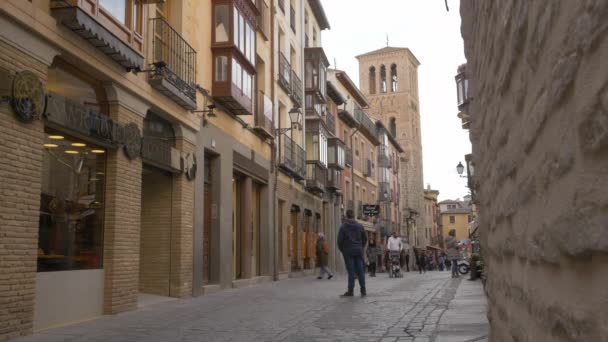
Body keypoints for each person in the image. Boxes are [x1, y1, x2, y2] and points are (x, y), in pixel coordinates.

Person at [337, 209, 367, 297]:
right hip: (358, 250)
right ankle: (363, 290)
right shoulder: (360, 226)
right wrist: (361, 247)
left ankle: (351, 291)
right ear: (354, 216)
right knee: (360, 271)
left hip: (348, 251)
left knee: (351, 272)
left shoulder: (343, 227)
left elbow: (339, 241)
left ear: (346, 216)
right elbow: (365, 238)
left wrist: (343, 250)